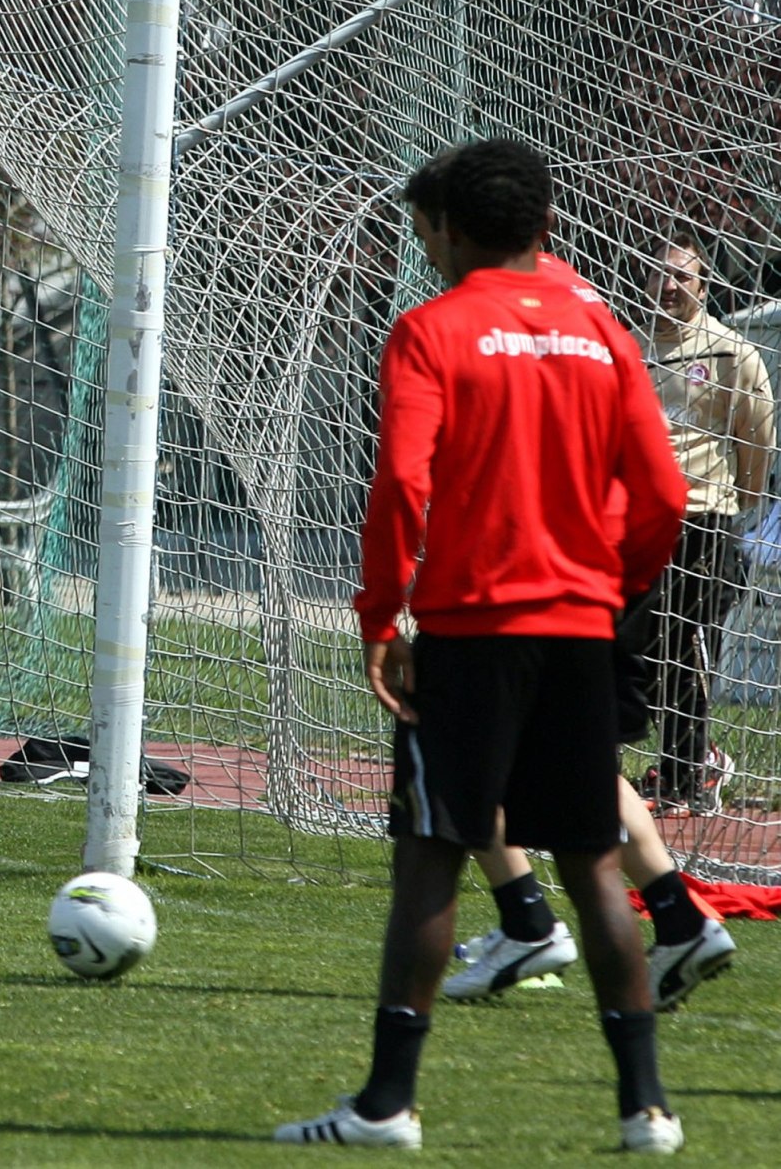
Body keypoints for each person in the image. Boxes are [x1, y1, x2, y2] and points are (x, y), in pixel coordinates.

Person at [277, 140, 689, 1153]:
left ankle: (386, 1104)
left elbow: (402, 484)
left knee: (430, 859)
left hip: (468, 627)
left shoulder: (431, 328)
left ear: (451, 229)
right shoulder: (604, 329)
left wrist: (381, 614)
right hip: (579, 625)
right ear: (545, 223)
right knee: (593, 859)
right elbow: (666, 493)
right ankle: (646, 1107)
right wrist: (613, 582)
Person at [442, 244, 740, 1011]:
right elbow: (657, 481)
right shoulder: (601, 319)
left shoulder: (480, 313)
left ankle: (527, 921)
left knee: (453, 750)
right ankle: (677, 917)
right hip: (592, 573)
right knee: (574, 762)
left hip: (520, 573)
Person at [641, 234, 772, 813]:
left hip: (702, 521)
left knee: (689, 652)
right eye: (660, 274)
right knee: (639, 651)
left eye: (683, 276)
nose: (670, 285)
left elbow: (758, 436)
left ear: (703, 284)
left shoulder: (730, 351)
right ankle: (694, 760)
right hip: (638, 525)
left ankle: (686, 775)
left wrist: (736, 501)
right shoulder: (630, 347)